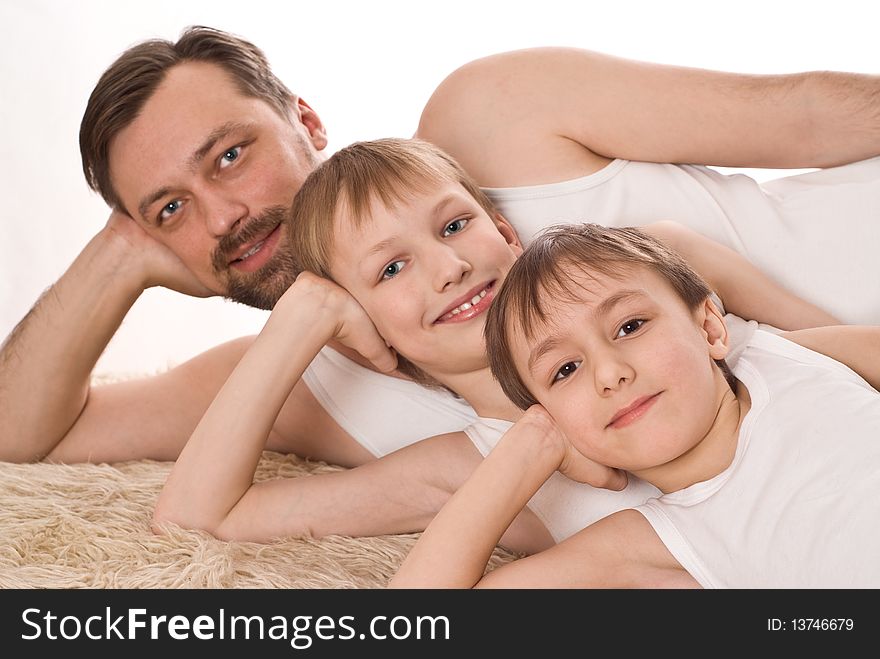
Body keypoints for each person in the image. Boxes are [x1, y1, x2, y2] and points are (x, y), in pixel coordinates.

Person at [1, 25, 878, 467]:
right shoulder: (301, 379)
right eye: (171, 208)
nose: (225, 213)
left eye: (232, 155)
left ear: (305, 120)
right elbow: (21, 432)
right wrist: (126, 248)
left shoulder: (490, 114)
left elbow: (800, 111)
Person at [154, 138, 841, 557]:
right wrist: (302, 316)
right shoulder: (467, 465)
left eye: (454, 225)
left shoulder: (657, 265)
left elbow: (832, 354)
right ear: (365, 324)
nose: (447, 267)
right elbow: (196, 516)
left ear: (506, 234)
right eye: (390, 270)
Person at [388, 224, 880, 588]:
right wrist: (527, 446)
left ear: (710, 328)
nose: (610, 374)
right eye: (565, 370)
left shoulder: (793, 357)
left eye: (630, 327)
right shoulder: (650, 543)